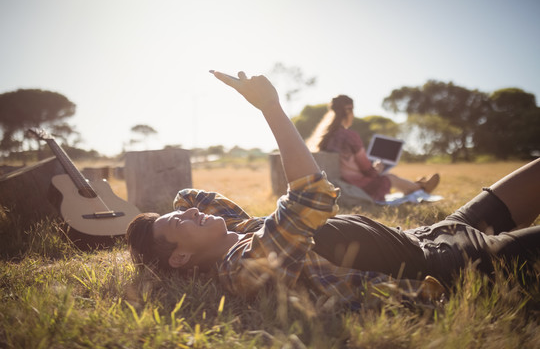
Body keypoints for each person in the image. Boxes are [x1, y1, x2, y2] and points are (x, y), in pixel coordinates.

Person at [127, 71, 540, 309]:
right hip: (457, 266)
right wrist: (271, 107)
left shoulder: (240, 227)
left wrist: (160, 224)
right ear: (180, 256)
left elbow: (190, 196)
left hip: (434, 232)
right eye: (178, 224)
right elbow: (310, 197)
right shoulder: (242, 268)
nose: (186, 212)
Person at [306, 94, 440, 201]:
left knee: (388, 176)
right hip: (357, 185)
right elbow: (366, 168)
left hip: (339, 183)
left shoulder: (324, 136)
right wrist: (376, 168)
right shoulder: (349, 136)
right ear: (349, 111)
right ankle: (421, 188)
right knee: (388, 177)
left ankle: (416, 186)